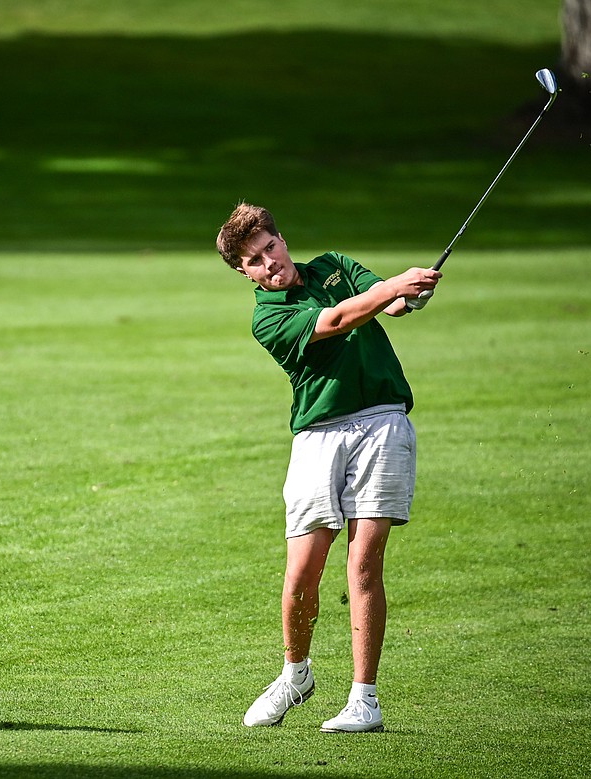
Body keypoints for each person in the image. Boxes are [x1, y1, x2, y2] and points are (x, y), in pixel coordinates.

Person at [215, 202, 440, 733]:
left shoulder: (335, 265)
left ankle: (365, 699)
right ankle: (296, 673)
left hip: (383, 420)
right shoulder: (267, 317)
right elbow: (339, 319)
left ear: (282, 239)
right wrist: (394, 288)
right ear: (243, 273)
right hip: (318, 436)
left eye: (270, 247)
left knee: (364, 564)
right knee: (302, 571)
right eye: (254, 261)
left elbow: (389, 304)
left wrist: (413, 292)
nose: (269, 263)